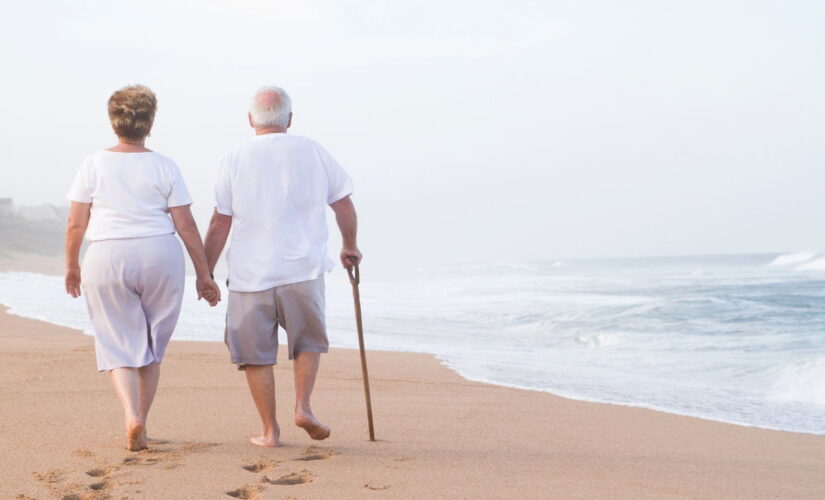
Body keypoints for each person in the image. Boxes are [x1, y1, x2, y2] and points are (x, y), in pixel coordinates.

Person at [64, 84, 221, 452]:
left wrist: (71, 265)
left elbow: (76, 223)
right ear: (149, 124)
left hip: (107, 256)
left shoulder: (93, 163)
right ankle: (143, 426)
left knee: (119, 344)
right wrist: (204, 274)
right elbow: (186, 225)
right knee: (151, 347)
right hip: (160, 255)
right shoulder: (164, 165)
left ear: (113, 121)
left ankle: (132, 416)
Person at [203, 86, 361, 447]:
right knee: (306, 342)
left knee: (256, 353)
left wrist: (205, 272)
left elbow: (219, 222)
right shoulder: (313, 150)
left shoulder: (233, 158)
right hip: (302, 270)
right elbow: (344, 206)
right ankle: (303, 408)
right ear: (290, 119)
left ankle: (270, 431)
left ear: (250, 120)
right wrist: (349, 245)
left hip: (250, 275)